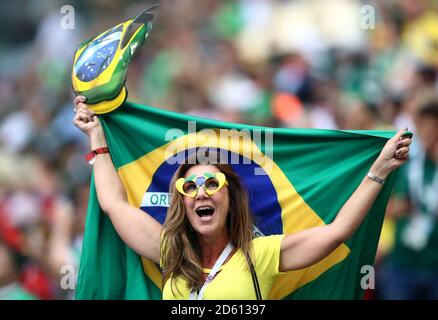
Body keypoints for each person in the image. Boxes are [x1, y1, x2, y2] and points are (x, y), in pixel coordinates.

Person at [73, 95, 412, 300]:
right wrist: (97, 137)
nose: (200, 193)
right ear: (183, 204)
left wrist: (378, 170)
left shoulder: (259, 254)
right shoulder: (170, 251)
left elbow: (337, 231)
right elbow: (113, 204)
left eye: (211, 183)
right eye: (189, 188)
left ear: (230, 196)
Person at [377, 96, 438, 300]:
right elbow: (383, 209)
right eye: (422, 125)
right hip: (402, 263)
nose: (426, 132)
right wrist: (402, 207)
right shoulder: (405, 163)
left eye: (432, 127)